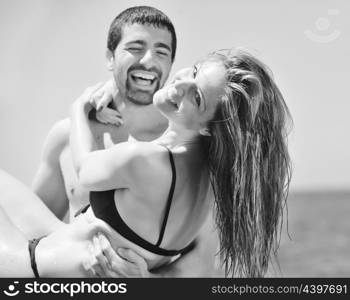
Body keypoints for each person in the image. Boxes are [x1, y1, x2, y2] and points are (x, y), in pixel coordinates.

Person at [0, 48, 292, 277]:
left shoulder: (147, 160)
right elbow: (193, 271)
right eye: (193, 72)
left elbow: (85, 169)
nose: (181, 84)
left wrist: (79, 108)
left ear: (209, 127)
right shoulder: (209, 182)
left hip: (31, 268)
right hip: (57, 243)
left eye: (197, 96)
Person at [29, 6, 219, 277]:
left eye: (162, 52)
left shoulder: (187, 152)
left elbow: (202, 265)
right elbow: (36, 232)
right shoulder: (67, 136)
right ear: (110, 57)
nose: (149, 60)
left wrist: (146, 279)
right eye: (135, 48)